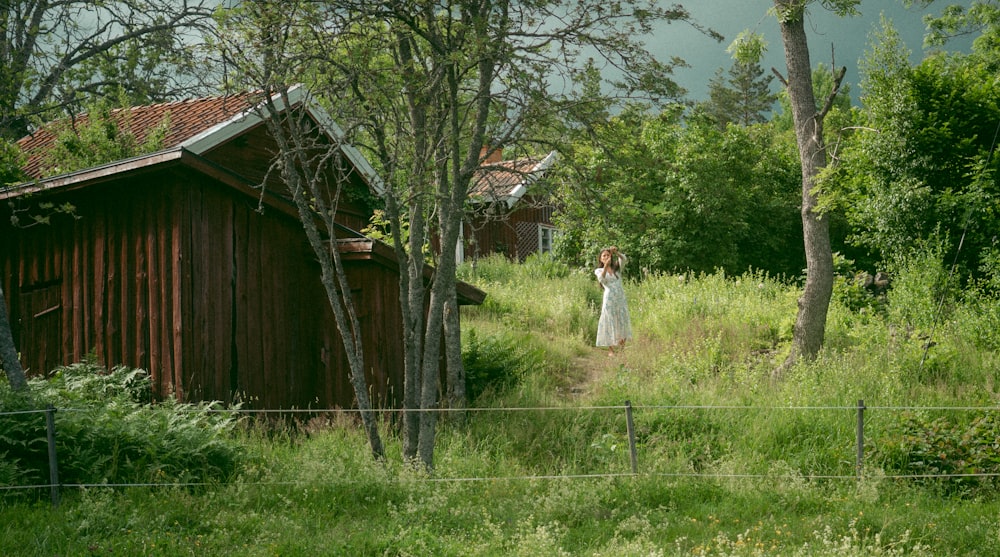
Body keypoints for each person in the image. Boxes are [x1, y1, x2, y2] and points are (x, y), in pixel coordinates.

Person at [595, 246, 632, 356]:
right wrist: (606, 266)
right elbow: (601, 280)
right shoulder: (599, 270)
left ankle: (622, 348)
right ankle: (611, 350)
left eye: (608, 255)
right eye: (604, 255)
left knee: (622, 320)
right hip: (609, 300)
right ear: (601, 259)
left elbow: (624, 259)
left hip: (620, 298)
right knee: (609, 321)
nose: (606, 257)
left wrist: (616, 252)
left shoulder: (617, 268)